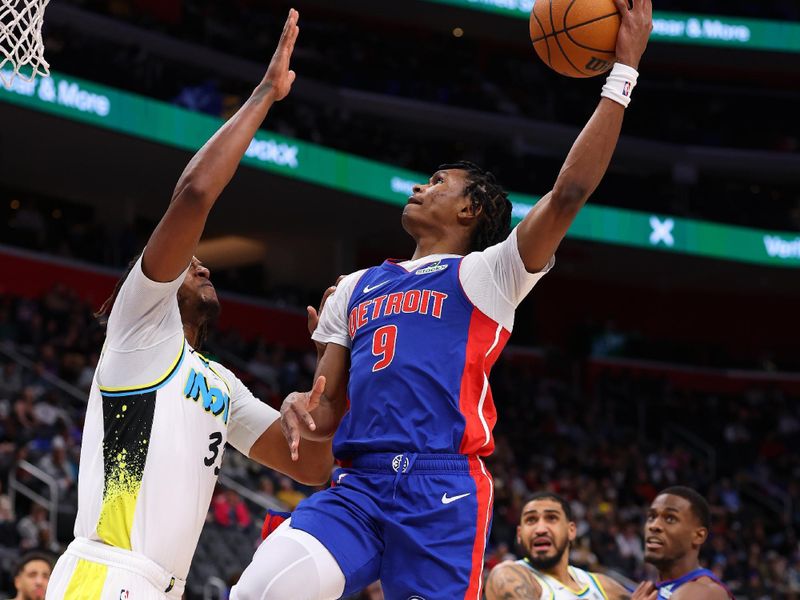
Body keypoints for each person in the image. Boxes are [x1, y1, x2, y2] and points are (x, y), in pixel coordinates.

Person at [232, 2, 654, 598]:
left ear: (469, 209)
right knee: (258, 591)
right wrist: (304, 401)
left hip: (442, 488)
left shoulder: (489, 275)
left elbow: (568, 194)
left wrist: (625, 69)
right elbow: (324, 415)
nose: (417, 187)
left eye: (436, 183)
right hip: (357, 485)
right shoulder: (352, 288)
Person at [46, 10, 333, 600]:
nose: (201, 263)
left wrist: (337, 353)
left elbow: (309, 467)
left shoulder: (221, 383)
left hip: (160, 587)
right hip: (107, 572)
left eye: (204, 262)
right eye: (187, 262)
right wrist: (265, 95)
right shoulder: (139, 327)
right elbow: (197, 192)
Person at [485, 492, 632, 599]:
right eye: (531, 520)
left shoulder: (604, 586)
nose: (540, 529)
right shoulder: (508, 576)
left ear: (571, 530)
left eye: (551, 518)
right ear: (519, 534)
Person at [644, 487, 734, 599]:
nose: (654, 526)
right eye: (652, 517)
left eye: (670, 519)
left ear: (698, 536)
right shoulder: (657, 590)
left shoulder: (704, 591)